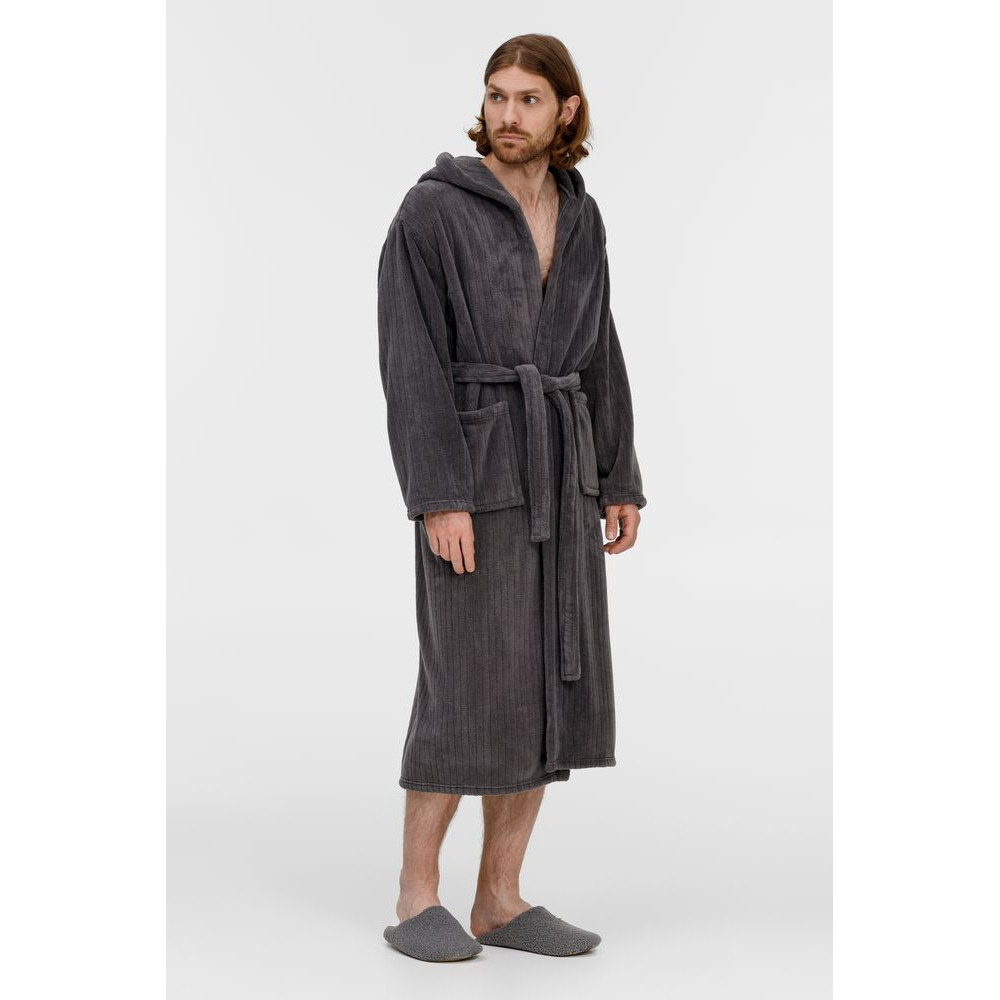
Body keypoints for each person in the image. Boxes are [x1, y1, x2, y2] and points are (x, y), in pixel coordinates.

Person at [377, 34, 647, 962]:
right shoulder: (432, 211)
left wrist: (617, 472)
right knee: (465, 684)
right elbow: (409, 360)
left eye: (529, 98)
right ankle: (417, 895)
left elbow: (600, 345)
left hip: (563, 472)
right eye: (497, 96)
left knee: (543, 686)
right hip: (478, 475)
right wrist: (438, 495)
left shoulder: (581, 212)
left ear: (566, 109)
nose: (508, 114)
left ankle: (499, 897)